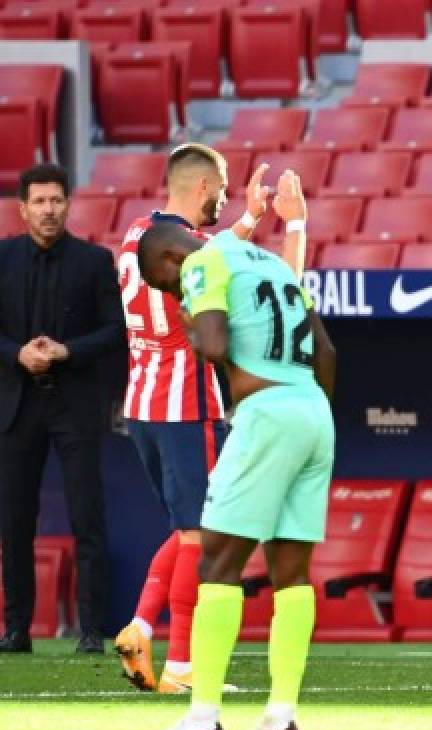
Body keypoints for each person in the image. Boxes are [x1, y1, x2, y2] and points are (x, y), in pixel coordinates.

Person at [136, 170, 336, 730]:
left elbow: (215, 344)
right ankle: (281, 714)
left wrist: (192, 319)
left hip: (265, 414)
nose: (174, 291)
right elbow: (325, 349)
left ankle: (202, 716)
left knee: (216, 564)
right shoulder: (269, 263)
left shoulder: (200, 265)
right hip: (312, 412)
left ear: (171, 261)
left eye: (165, 283)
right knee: (292, 573)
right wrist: (309, 411)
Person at [114, 143, 269, 693]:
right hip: (187, 404)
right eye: (222, 192)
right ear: (201, 187)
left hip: (141, 405)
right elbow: (227, 262)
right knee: (201, 534)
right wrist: (267, 223)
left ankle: (138, 625)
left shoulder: (134, 234)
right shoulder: (201, 249)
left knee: (185, 531)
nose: (223, 202)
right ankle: (181, 664)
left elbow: (209, 248)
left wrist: (248, 218)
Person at [0, 164, 125, 655]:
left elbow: (116, 331)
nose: (49, 210)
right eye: (40, 202)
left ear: (68, 205)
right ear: (22, 208)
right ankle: (16, 630)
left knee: (86, 517)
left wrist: (67, 351)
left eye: (56, 201)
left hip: (74, 403)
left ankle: (92, 630)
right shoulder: (2, 258)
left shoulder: (94, 262)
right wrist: (17, 354)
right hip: (16, 404)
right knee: (14, 521)